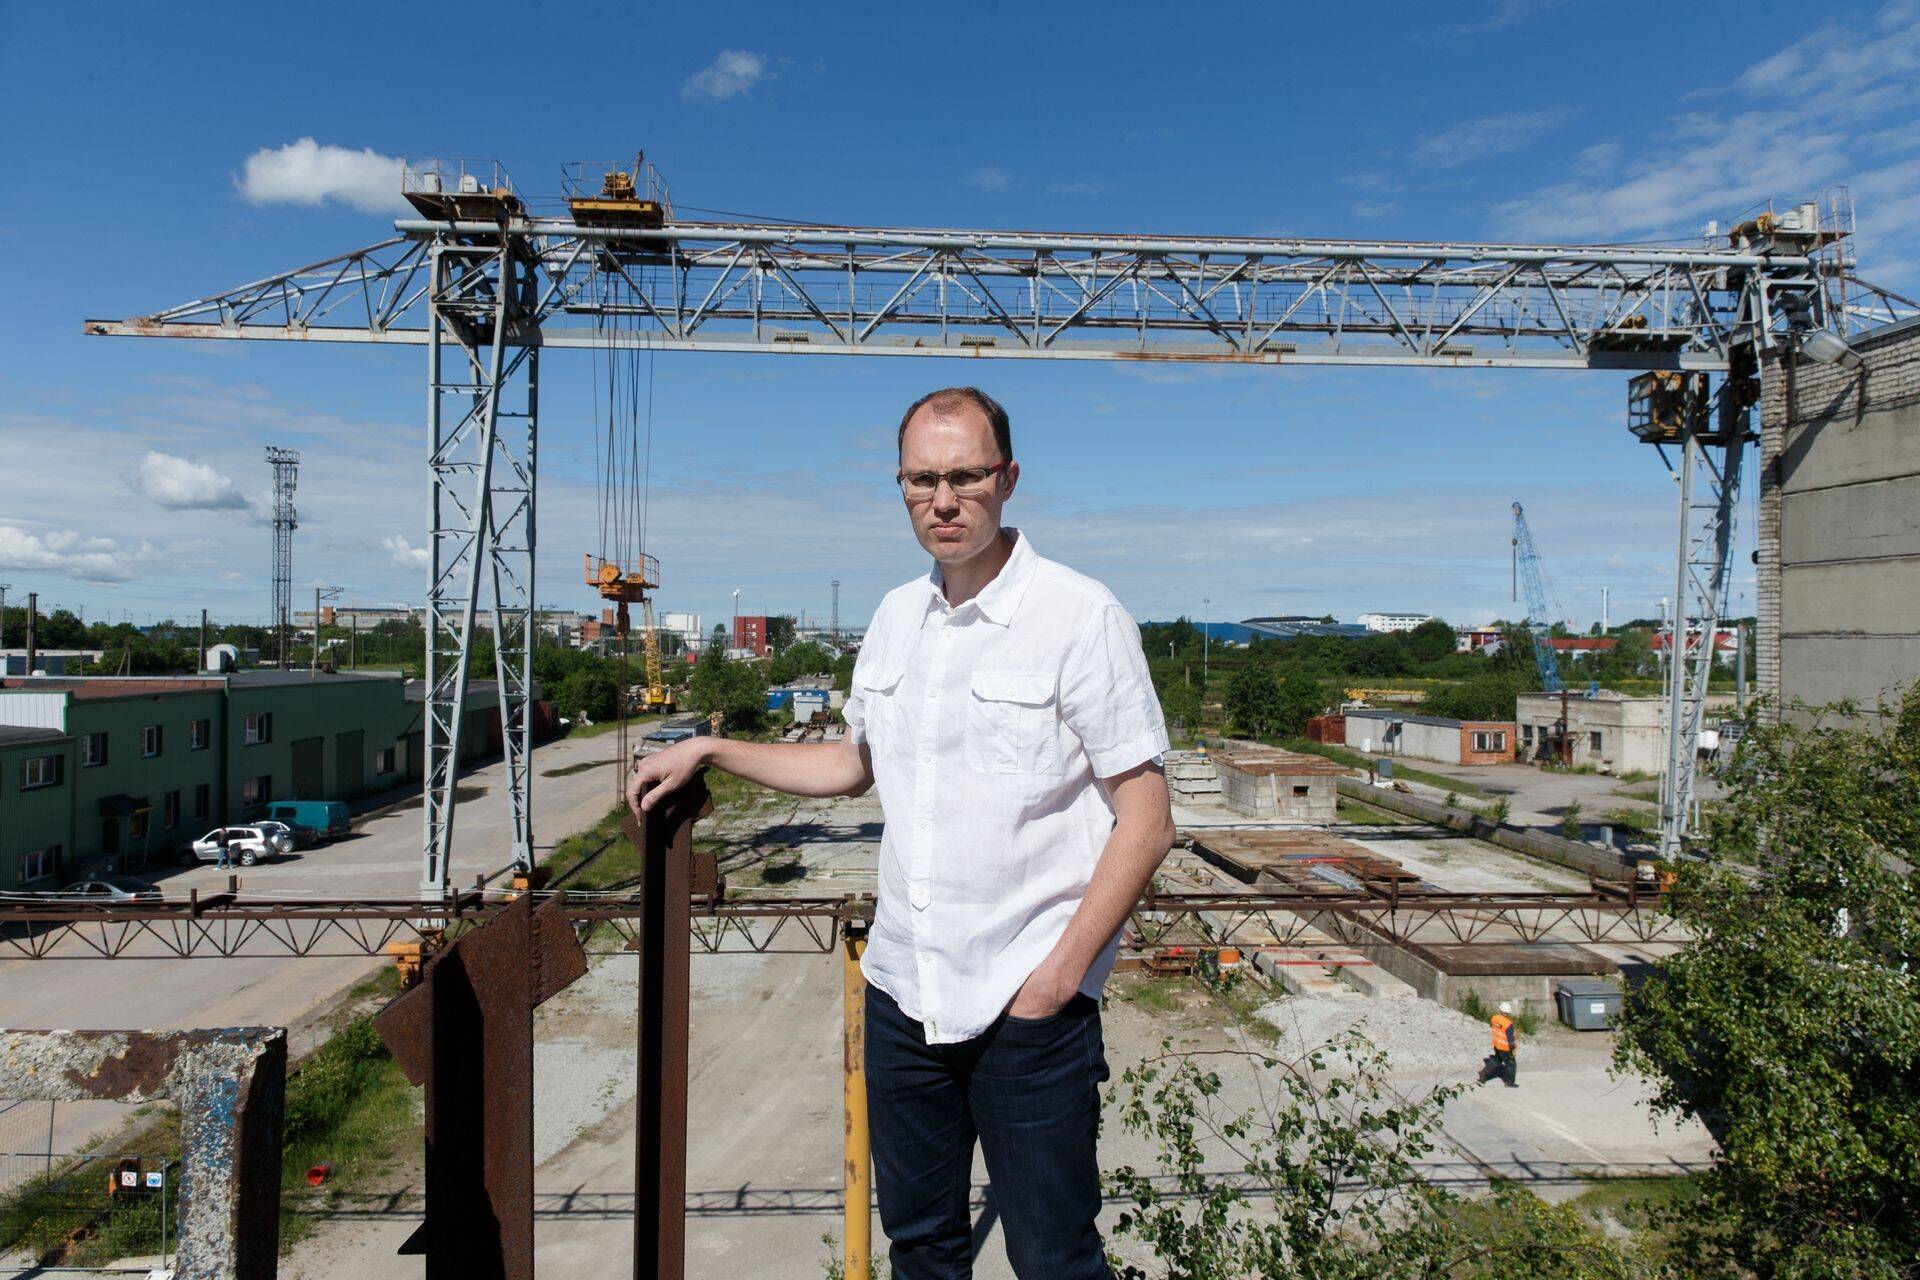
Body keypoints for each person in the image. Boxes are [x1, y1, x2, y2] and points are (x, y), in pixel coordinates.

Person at [628, 386, 1174, 1279]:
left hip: (1026, 1007)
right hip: (903, 995)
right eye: (923, 480)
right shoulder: (892, 619)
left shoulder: (1081, 617)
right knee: (920, 1251)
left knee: (1054, 1260)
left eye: (965, 476)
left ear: (1008, 479)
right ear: (901, 485)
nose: (944, 500)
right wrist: (712, 749)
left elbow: (1147, 820)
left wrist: (1056, 982)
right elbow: (852, 765)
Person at [1486, 1000, 1519, 1087]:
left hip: (1496, 1045)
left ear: (1500, 1010)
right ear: (1508, 1013)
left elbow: (1494, 1027)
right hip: (1505, 1048)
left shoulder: (1494, 1018)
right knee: (1511, 1064)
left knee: (1496, 1061)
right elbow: (1510, 1039)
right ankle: (1509, 1083)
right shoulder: (1508, 1024)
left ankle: (1483, 1076)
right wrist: (1512, 1051)